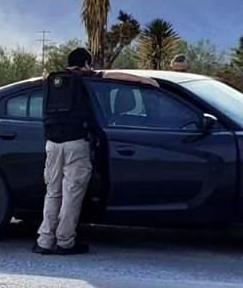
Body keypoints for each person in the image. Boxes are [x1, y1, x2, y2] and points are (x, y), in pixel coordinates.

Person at [34, 48, 158, 255]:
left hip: (52, 144)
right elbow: (113, 75)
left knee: (53, 192)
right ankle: (65, 242)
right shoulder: (87, 77)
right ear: (85, 64)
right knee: (72, 193)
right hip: (76, 144)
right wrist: (145, 81)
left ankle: (45, 241)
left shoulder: (52, 80)